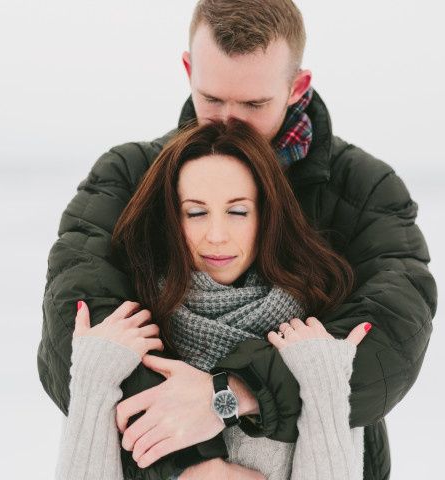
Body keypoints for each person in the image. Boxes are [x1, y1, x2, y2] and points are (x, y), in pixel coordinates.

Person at [38, 1, 437, 478]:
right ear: (189, 70)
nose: (228, 120)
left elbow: (391, 340)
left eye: (253, 104)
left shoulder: (363, 189)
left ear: (297, 87)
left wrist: (230, 394)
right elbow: (77, 331)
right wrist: (192, 466)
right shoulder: (127, 176)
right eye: (212, 98)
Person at [55, 120, 370, 480]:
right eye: (196, 212)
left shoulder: (311, 346)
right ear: (171, 219)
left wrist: (323, 381)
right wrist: (93, 378)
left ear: (266, 216)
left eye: (237, 212)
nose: (217, 236)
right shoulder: (131, 344)